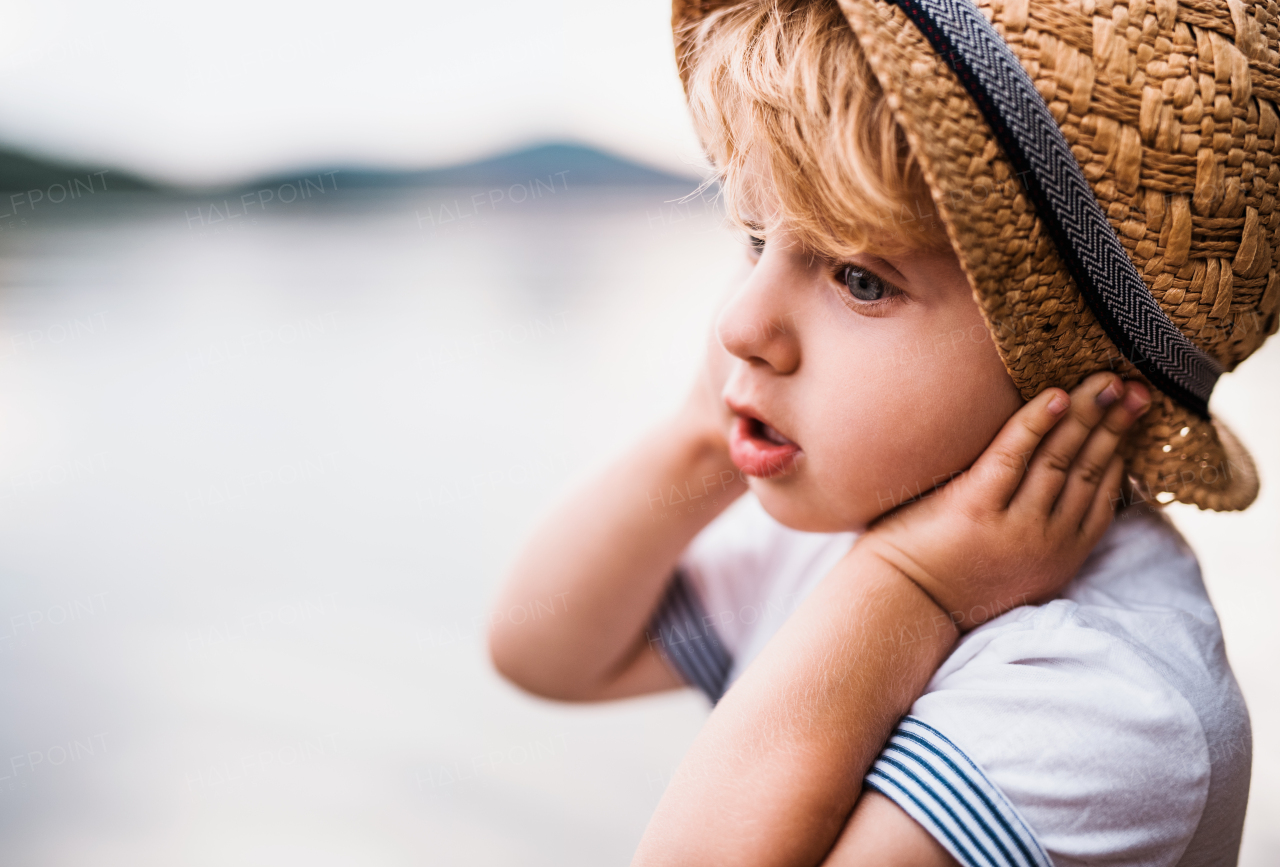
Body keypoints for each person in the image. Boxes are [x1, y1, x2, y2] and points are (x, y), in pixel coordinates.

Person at [489, 0, 1277, 864]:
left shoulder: (1109, 698)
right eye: (755, 240)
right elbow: (544, 646)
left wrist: (915, 590)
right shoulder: (845, 526)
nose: (742, 324)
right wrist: (700, 435)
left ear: (1076, 377)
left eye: (860, 279)